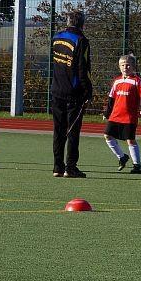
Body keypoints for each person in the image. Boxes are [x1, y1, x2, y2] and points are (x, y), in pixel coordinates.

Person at [50, 11, 92, 178]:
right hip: (74, 93)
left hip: (56, 89)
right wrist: (88, 91)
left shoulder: (56, 37)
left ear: (67, 22)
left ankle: (57, 167)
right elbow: (83, 69)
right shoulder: (81, 40)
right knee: (73, 131)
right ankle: (71, 167)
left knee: (58, 130)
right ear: (82, 23)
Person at [102, 54, 141, 174]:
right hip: (115, 115)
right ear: (119, 67)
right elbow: (111, 98)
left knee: (130, 140)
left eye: (128, 65)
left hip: (129, 117)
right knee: (107, 135)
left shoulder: (137, 81)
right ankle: (122, 157)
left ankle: (137, 165)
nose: (125, 67)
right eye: (122, 65)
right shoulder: (117, 81)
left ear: (133, 67)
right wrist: (107, 113)